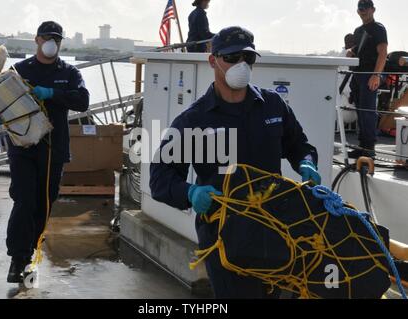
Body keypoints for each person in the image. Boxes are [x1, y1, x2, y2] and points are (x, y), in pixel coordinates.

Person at [149, 26, 320, 298]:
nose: (241, 65)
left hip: (275, 229)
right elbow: (159, 177)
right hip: (225, 238)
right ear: (212, 60)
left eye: (247, 58)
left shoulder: (273, 105)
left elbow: (299, 145)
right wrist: (190, 192)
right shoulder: (194, 121)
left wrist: (307, 163)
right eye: (231, 57)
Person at [6, 21, 90, 283]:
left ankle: (30, 250)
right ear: (37, 40)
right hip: (23, 146)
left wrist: (52, 93)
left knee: (44, 202)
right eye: (47, 37)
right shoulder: (20, 70)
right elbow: (3, 100)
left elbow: (82, 101)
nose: (51, 42)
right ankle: (17, 258)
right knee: (24, 200)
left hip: (54, 148)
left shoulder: (69, 72)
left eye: (56, 38)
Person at [347, 0, 388, 158]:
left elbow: (383, 52)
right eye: (360, 8)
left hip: (370, 76)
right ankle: (362, 146)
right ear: (358, 11)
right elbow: (361, 48)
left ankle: (369, 148)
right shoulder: (358, 31)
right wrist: (351, 50)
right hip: (358, 75)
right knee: (360, 111)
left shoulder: (378, 28)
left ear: (373, 10)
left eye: (365, 8)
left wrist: (376, 75)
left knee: (367, 111)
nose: (362, 10)